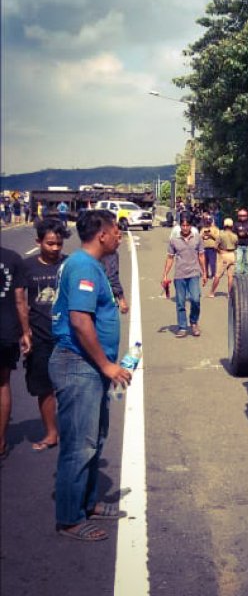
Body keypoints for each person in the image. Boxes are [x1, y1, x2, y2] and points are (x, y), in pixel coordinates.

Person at [49, 209, 132, 541]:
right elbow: (81, 321)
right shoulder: (84, 266)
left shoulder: (92, 265)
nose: (119, 236)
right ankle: (70, 518)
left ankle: (88, 503)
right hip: (78, 365)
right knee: (79, 445)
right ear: (102, 234)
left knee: (94, 440)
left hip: (91, 367)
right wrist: (107, 365)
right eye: (116, 231)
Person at [18, 218, 71, 451]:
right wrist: (25, 332)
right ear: (38, 241)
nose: (55, 249)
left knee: (71, 387)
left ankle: (73, 432)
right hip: (40, 336)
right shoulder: (27, 267)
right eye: (50, 244)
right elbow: (20, 300)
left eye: (59, 244)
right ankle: (51, 433)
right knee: (44, 387)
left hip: (69, 336)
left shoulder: (70, 264)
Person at [0, 247, 31, 460]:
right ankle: (0, 440)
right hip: (6, 330)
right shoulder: (12, 258)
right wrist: (26, 331)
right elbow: (20, 300)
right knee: (3, 383)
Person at [163, 212, 207, 337]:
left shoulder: (197, 238)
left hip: (194, 273)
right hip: (180, 275)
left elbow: (201, 256)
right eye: (183, 225)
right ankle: (182, 327)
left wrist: (204, 273)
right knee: (180, 302)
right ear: (180, 225)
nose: (185, 228)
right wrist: (165, 274)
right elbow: (170, 258)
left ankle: (193, 322)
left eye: (187, 225)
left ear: (191, 226)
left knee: (195, 299)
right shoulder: (174, 241)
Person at [102, 227, 129, 314]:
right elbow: (112, 276)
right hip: (106, 299)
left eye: (121, 238)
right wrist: (121, 299)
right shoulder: (111, 253)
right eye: (117, 238)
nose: (120, 242)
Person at [210, 218, 238, 297]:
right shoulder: (235, 236)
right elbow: (236, 246)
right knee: (230, 276)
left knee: (218, 275)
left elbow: (215, 247)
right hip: (232, 255)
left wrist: (220, 251)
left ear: (224, 225)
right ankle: (229, 293)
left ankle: (212, 292)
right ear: (232, 226)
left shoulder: (221, 235)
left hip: (224, 255)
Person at [233, 208, 248, 275]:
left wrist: (247, 233)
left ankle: (246, 274)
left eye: (244, 215)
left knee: (247, 261)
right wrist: (238, 234)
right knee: (238, 260)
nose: (242, 217)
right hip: (239, 246)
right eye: (240, 215)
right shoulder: (236, 224)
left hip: (247, 245)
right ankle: (238, 274)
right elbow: (233, 233)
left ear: (247, 216)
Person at [199, 213, 219, 281]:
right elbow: (199, 237)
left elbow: (218, 238)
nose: (208, 221)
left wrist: (211, 234)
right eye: (206, 219)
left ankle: (213, 274)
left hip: (212, 248)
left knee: (212, 262)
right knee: (204, 262)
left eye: (209, 219)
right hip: (204, 248)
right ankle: (206, 274)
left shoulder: (215, 229)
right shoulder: (203, 229)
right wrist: (203, 235)